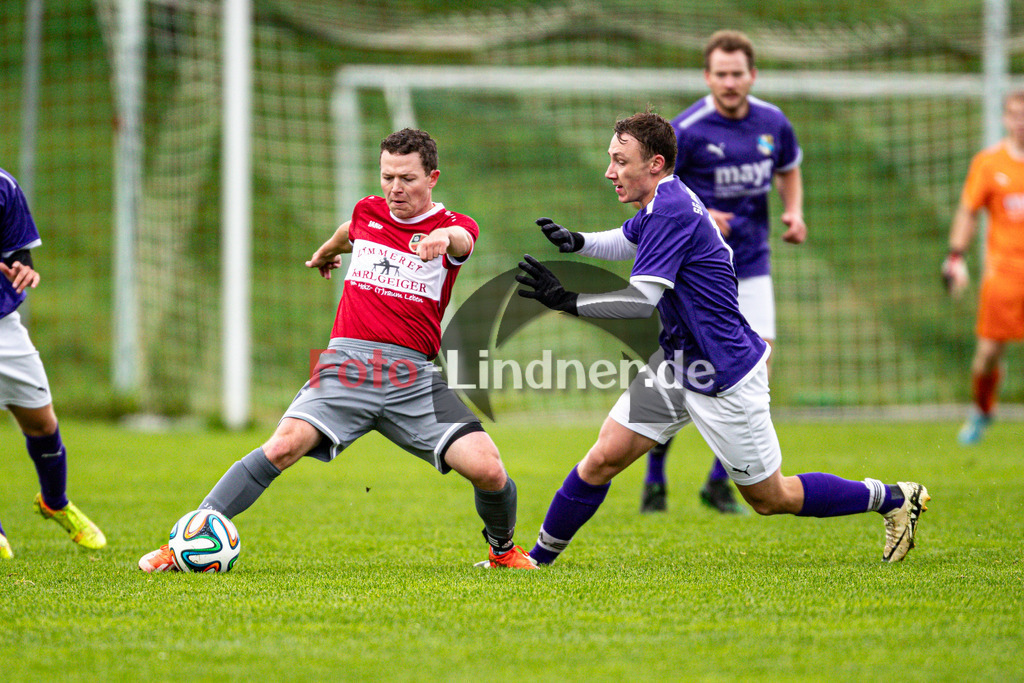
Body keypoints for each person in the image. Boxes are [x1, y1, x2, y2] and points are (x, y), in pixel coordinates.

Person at [516, 111, 928, 565]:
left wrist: (566, 301)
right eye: (610, 159)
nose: (610, 171)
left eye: (620, 160)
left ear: (654, 164)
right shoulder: (660, 202)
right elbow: (629, 238)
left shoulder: (670, 210)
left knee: (772, 497)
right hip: (678, 365)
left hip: (724, 375)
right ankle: (535, 561)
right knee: (603, 458)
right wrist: (578, 241)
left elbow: (638, 301)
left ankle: (892, 498)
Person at [139, 128, 535, 571]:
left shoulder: (454, 227)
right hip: (347, 368)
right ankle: (180, 545)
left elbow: (463, 240)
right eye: (387, 177)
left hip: (411, 379)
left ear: (433, 178)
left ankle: (502, 552)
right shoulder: (369, 211)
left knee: (489, 470)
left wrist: (444, 242)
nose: (395, 188)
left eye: (407, 178)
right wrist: (328, 250)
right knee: (282, 446)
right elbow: (351, 230)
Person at [640, 29, 807, 515]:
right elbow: (659, 187)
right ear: (707, 76)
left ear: (752, 75)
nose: (730, 82)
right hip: (695, 271)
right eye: (721, 74)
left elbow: (789, 168)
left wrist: (794, 211)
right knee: (684, 369)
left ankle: (720, 482)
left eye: (738, 74)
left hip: (751, 261)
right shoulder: (687, 130)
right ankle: (655, 479)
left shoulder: (773, 122)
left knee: (759, 362)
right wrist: (703, 213)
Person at [0, 167, 106, 559]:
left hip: (3, 327)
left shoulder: (4, 186)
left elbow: (17, 251)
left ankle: (55, 502)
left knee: (42, 424)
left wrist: (22, 266)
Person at [943, 90, 1024, 445]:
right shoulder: (989, 164)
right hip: (1004, 274)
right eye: (1015, 115)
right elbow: (968, 211)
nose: (1021, 121)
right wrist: (955, 256)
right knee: (988, 354)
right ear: (1005, 119)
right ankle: (982, 409)